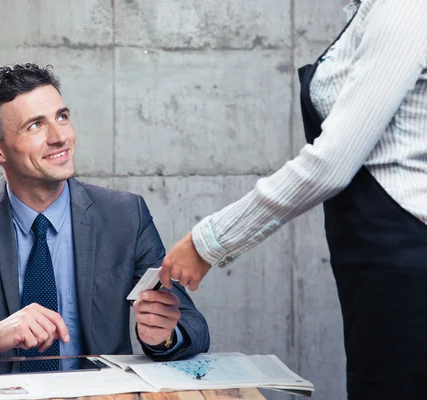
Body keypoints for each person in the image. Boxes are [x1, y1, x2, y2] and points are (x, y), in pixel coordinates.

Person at [160, 0, 427, 398]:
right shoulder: (370, 11)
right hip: (374, 261)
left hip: (405, 259)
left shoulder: (404, 8)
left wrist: (210, 241)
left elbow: (332, 163)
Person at [0, 63, 210, 366]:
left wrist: (162, 335)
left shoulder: (124, 215)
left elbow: (192, 325)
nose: (60, 137)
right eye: (35, 126)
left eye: (62, 117)